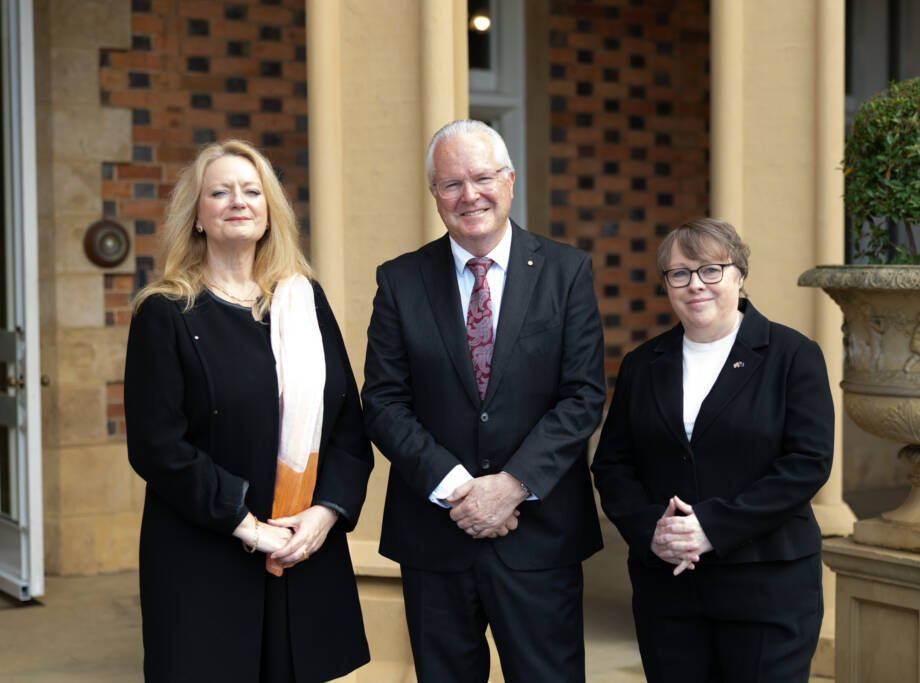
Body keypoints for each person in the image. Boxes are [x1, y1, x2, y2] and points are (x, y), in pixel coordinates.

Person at [361, 119, 605, 682]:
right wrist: (459, 490)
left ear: (510, 181)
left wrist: (511, 485)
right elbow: (384, 402)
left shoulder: (566, 271)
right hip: (435, 538)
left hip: (540, 537)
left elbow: (583, 396)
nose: (469, 195)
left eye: (483, 178)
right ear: (435, 195)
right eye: (451, 184)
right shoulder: (400, 280)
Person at [124, 140, 372, 682]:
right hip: (204, 557)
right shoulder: (165, 312)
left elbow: (347, 426)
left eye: (252, 191)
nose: (238, 201)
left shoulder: (303, 301)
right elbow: (156, 446)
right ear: (196, 215)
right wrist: (251, 528)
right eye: (220, 192)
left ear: (269, 210)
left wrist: (324, 515)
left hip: (302, 549)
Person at [591, 217, 833, 682]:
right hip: (669, 588)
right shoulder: (643, 364)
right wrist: (651, 531)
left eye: (710, 270)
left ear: (739, 275)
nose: (695, 284)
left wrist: (710, 526)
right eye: (679, 273)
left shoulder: (792, 355)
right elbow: (613, 464)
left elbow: (807, 464)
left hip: (767, 586)